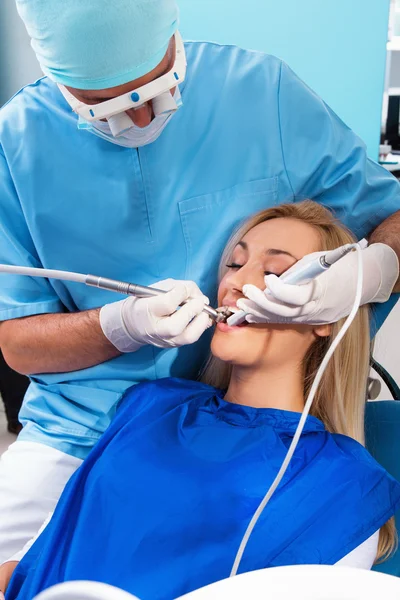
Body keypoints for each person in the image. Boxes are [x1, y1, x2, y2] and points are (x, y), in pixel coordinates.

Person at [0, 0, 400, 567]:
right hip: (88, 431)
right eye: (105, 109)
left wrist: (374, 268)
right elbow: (16, 341)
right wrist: (119, 324)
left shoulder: (262, 94)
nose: (141, 122)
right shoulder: (15, 144)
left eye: (156, 91)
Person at [3, 202, 400, 600]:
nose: (237, 283)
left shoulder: (343, 481)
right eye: (234, 264)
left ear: (326, 315)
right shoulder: (151, 406)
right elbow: (41, 552)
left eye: (274, 272)